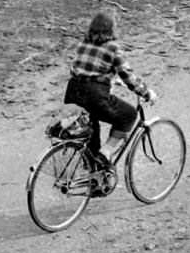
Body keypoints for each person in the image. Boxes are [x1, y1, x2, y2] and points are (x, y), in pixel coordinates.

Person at [63, 10, 154, 170]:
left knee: (91, 133)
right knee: (128, 115)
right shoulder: (112, 48)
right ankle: (106, 153)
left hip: (73, 92)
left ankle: (95, 178)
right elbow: (128, 77)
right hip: (94, 95)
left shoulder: (83, 44)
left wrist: (109, 78)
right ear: (112, 29)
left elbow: (81, 70)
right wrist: (146, 93)